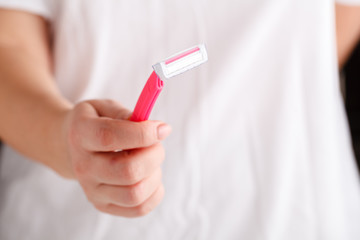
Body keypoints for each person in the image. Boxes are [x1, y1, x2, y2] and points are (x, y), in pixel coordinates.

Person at [0, 0, 360, 239]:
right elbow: (8, 45)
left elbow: (339, 20)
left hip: (293, 213)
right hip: (74, 220)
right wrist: (67, 140)